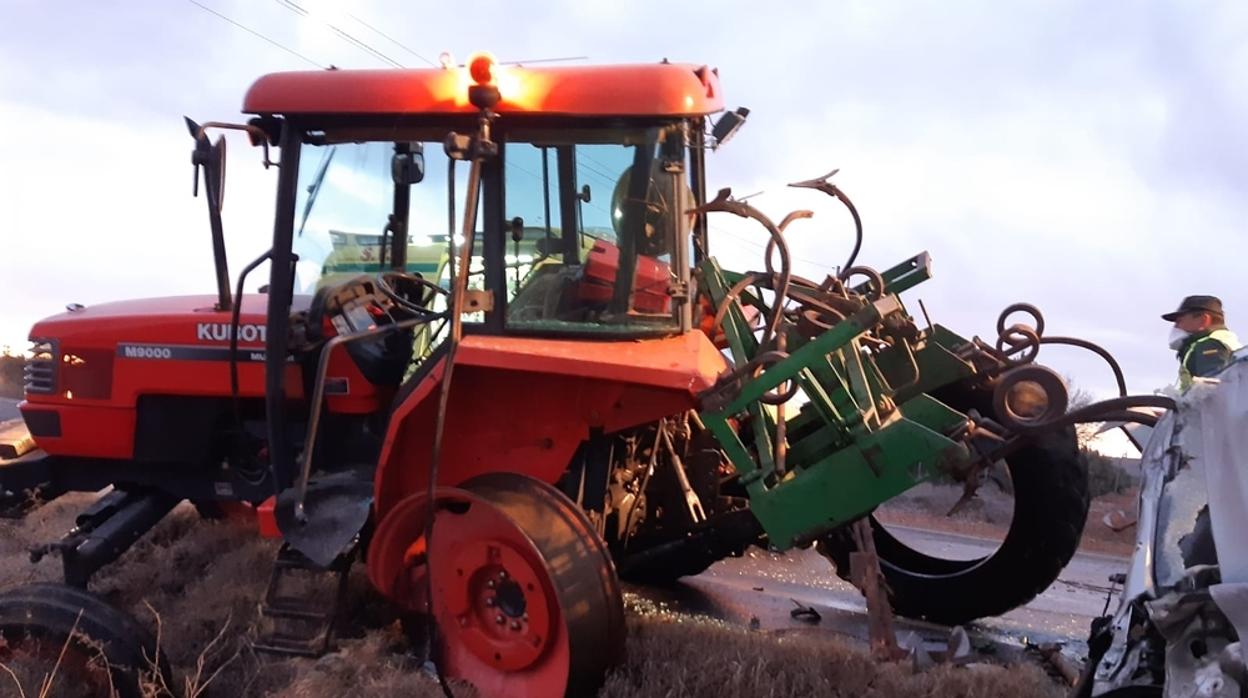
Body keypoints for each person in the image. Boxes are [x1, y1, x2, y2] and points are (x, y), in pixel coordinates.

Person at [1162, 295, 1242, 389]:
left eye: (1179, 321)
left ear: (1204, 320)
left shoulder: (1208, 345)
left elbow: (1213, 389)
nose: (1176, 327)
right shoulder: (1227, 341)